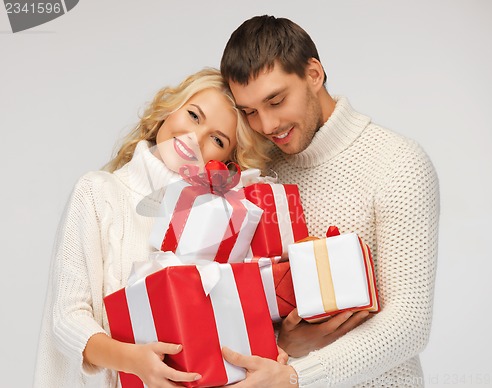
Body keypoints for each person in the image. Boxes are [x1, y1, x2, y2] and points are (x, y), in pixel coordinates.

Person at [220, 15, 439, 387]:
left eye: (276, 100)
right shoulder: (258, 172)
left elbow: (410, 323)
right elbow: (240, 303)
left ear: (314, 74)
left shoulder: (397, 162)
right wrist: (285, 344)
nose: (267, 125)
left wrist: (295, 377)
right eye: (250, 112)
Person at [33, 68, 271, 387]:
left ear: (228, 161)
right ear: (168, 109)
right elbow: (66, 319)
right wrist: (135, 361)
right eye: (193, 115)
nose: (194, 139)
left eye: (217, 139)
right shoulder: (97, 192)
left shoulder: (224, 224)